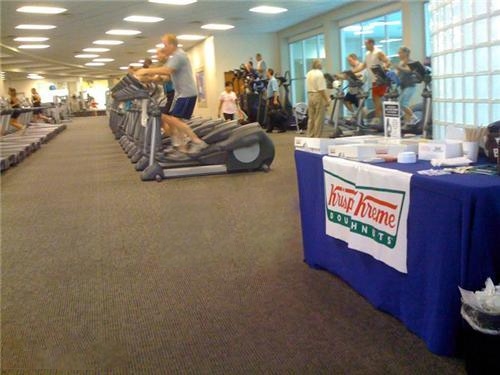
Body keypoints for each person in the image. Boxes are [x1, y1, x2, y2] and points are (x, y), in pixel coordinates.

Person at [135, 33, 207, 154]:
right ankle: (181, 148)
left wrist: (146, 70)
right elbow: (167, 77)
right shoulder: (176, 56)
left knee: (174, 120)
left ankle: (197, 141)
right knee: (175, 121)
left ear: (172, 44)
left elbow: (167, 70)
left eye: (165, 45)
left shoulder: (178, 56)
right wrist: (150, 79)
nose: (163, 48)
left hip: (186, 93)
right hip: (182, 94)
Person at [352, 38, 391, 126]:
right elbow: (363, 66)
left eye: (366, 44)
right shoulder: (367, 54)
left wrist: (384, 68)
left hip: (381, 80)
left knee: (380, 101)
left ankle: (382, 120)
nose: (365, 46)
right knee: (375, 101)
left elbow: (388, 61)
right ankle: (379, 121)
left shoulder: (378, 52)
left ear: (371, 43)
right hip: (373, 81)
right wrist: (352, 72)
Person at [306, 59, 330, 138]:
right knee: (319, 118)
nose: (322, 65)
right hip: (318, 95)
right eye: (321, 64)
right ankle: (316, 137)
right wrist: (327, 99)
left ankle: (310, 135)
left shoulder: (308, 73)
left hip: (310, 95)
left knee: (311, 118)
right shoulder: (319, 74)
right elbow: (321, 89)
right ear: (318, 65)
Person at [336, 53, 365, 118]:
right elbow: (347, 76)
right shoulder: (351, 68)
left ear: (355, 59)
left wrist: (351, 75)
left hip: (359, 90)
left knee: (360, 107)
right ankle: (354, 114)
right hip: (352, 90)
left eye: (350, 61)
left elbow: (361, 76)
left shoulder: (361, 66)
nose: (349, 63)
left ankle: (363, 119)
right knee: (346, 101)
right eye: (348, 61)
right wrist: (339, 76)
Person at [395, 46, 419, 125]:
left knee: (403, 103)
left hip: (410, 86)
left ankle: (414, 118)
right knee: (399, 103)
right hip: (403, 86)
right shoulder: (401, 63)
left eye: (400, 52)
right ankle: (406, 119)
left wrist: (399, 68)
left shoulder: (410, 62)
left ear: (405, 53)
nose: (399, 54)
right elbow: (398, 74)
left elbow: (408, 70)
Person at [265, 68, 286, 133]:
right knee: (271, 114)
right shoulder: (270, 80)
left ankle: (282, 128)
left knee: (276, 114)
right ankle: (270, 128)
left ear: (269, 72)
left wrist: (275, 100)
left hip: (274, 98)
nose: (266, 73)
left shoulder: (273, 80)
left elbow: (275, 90)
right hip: (271, 98)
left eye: (266, 72)